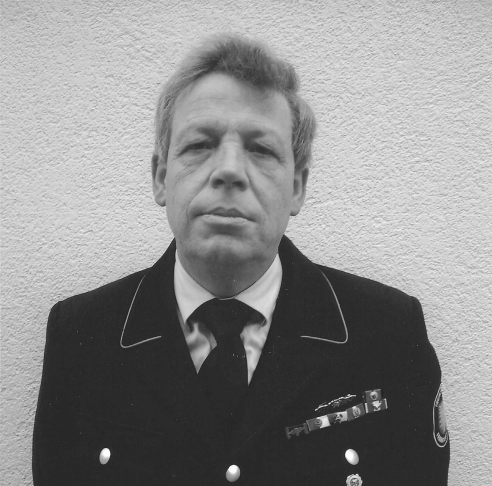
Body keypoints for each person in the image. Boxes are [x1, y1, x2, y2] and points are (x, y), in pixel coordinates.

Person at [33, 34, 449, 486]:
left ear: (297, 187)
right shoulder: (82, 337)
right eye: (200, 145)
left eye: (261, 149)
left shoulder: (388, 335)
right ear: (160, 177)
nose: (229, 170)